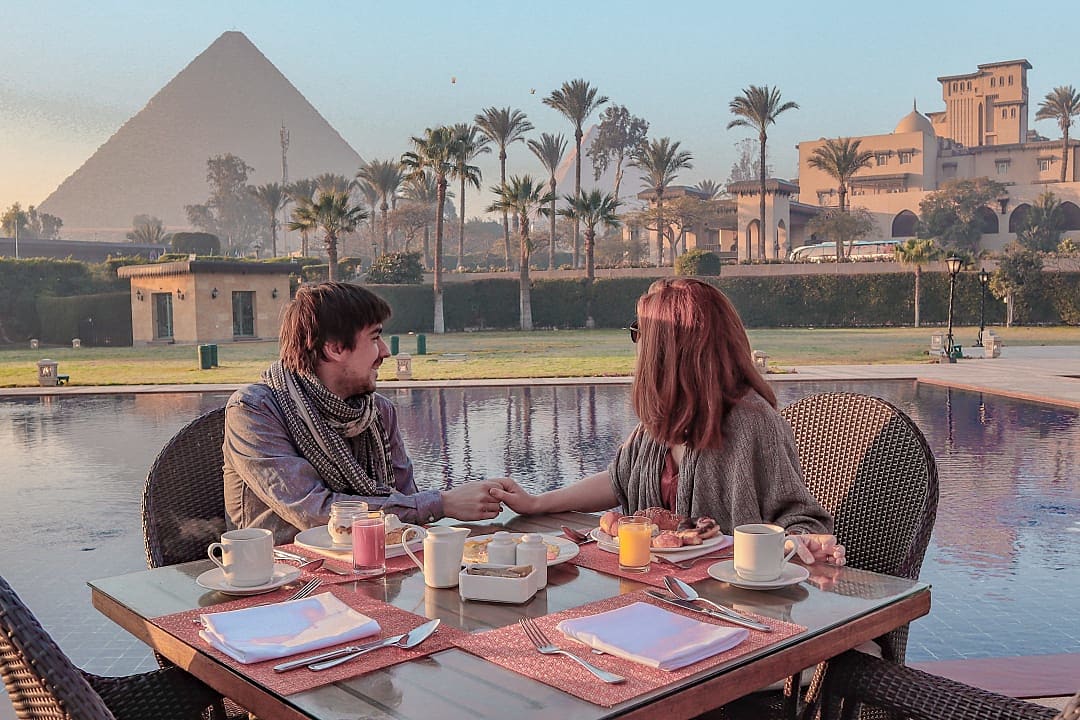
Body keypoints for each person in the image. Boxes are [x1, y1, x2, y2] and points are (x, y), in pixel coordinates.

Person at [490, 277, 845, 566]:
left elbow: (801, 519)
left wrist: (798, 541)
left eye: (639, 332)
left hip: (728, 601)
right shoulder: (661, 421)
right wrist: (537, 502)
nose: (636, 344)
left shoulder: (752, 423)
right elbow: (619, 480)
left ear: (668, 349)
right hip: (655, 589)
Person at [223, 282, 504, 544]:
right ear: (335, 348)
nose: (385, 352)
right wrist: (442, 503)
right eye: (375, 338)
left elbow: (406, 500)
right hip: (281, 571)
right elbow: (314, 512)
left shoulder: (378, 412)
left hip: (376, 559)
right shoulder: (254, 411)